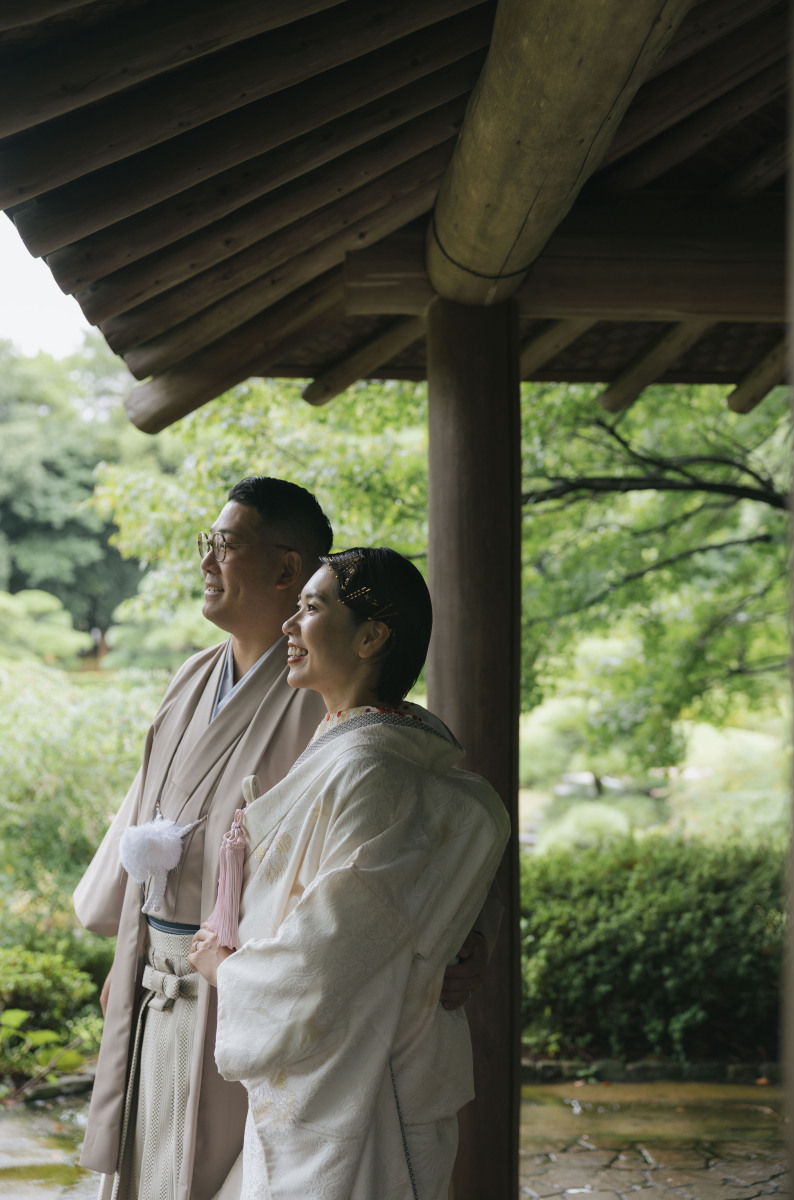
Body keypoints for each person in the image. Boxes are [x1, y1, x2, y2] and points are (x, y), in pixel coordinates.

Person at [73, 478, 498, 1200]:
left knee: (222, 1175)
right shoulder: (193, 678)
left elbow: (393, 867)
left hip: (249, 1001)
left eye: (226, 545)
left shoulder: (337, 711)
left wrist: (462, 942)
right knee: (153, 1173)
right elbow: (143, 820)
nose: (208, 561)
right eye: (208, 544)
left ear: (286, 567)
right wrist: (132, 946)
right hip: (167, 980)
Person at [189, 548, 510, 1200]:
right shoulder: (367, 746)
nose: (288, 625)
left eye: (311, 608)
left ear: (370, 637)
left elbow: (331, 949)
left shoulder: (373, 767)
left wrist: (229, 969)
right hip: (338, 1071)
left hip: (359, 1079)